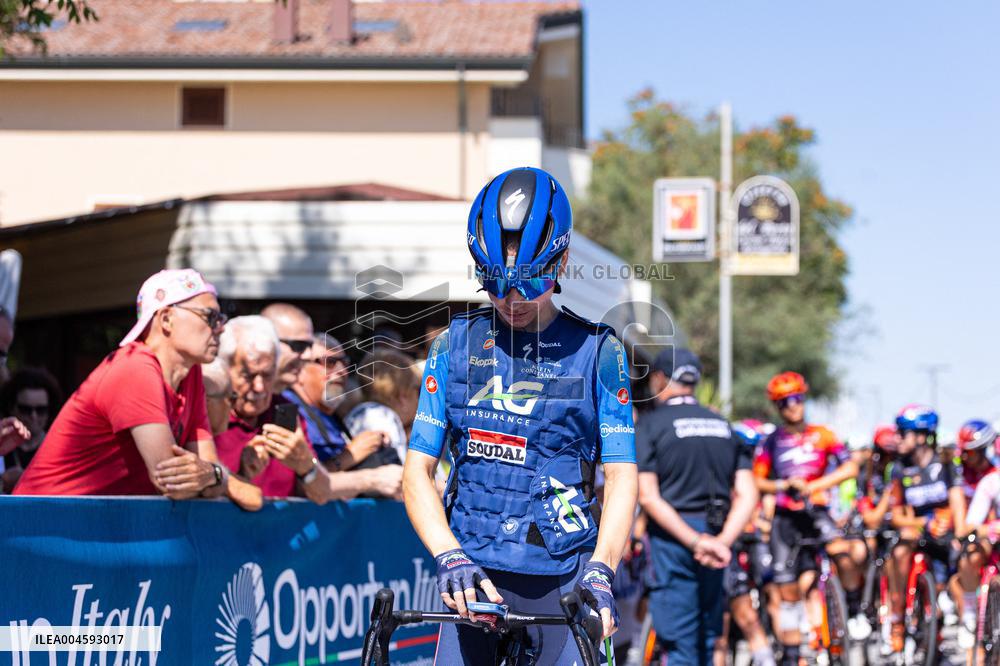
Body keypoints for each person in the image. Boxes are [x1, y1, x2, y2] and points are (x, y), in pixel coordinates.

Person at [403, 167, 638, 664]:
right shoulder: (451, 346)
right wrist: (447, 554)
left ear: (562, 261)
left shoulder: (601, 352)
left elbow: (620, 475)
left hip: (564, 574)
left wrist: (603, 569)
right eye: (493, 281)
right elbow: (417, 470)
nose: (512, 299)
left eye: (531, 282)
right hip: (473, 573)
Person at [14, 269, 227, 498]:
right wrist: (214, 475)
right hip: (41, 517)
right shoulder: (135, 368)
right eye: (210, 316)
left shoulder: (191, 374)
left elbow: (212, 476)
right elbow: (171, 484)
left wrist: (212, 474)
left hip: (88, 516)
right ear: (166, 319)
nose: (221, 327)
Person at [636, 348, 758, 666]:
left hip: (674, 540)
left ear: (660, 379)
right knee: (708, 637)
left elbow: (648, 496)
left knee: (680, 644)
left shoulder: (650, 425)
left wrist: (695, 541)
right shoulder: (724, 426)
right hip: (718, 536)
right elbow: (748, 494)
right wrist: (721, 542)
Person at [215, 316, 402, 502]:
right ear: (224, 368)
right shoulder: (210, 410)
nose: (259, 386)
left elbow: (315, 490)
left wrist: (305, 462)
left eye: (267, 375)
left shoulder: (285, 412)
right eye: (248, 375)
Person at [752, 372, 860, 666]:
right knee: (787, 590)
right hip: (785, 517)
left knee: (842, 553)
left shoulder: (823, 434)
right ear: (777, 407)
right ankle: (791, 654)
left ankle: (854, 610)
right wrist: (783, 485)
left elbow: (850, 468)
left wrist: (814, 486)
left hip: (817, 511)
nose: (792, 406)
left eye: (797, 399)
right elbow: (757, 481)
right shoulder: (772, 441)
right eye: (784, 402)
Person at [886, 404, 965, 654]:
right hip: (917, 535)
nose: (897, 439)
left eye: (903, 433)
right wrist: (921, 523)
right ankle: (898, 616)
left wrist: (957, 531)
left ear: (921, 437)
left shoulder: (945, 464)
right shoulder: (898, 469)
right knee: (899, 552)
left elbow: (957, 501)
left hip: (944, 536)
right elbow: (896, 516)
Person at [284, 334, 392, 472]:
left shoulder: (330, 414)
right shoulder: (288, 410)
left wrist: (371, 442)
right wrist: (351, 454)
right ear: (299, 370)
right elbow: (298, 479)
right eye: (329, 362)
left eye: (344, 363)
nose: (342, 371)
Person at [950, 419, 998, 649]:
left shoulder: (992, 473)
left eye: (969, 452)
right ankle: (969, 612)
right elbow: (968, 523)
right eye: (964, 452)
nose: (965, 457)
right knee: (971, 555)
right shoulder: (963, 474)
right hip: (975, 534)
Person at [346, 349, 420, 465]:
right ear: (403, 396)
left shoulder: (370, 413)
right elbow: (396, 471)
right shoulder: (380, 417)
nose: (419, 400)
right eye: (418, 391)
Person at [1, 367, 61, 493]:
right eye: (25, 409)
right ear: (11, 407)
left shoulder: (59, 448)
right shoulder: (2, 443)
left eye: (41, 410)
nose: (34, 416)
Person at [261, 302, 313, 392]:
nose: (308, 355)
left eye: (310, 346)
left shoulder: (286, 399)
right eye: (299, 345)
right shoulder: (237, 397)